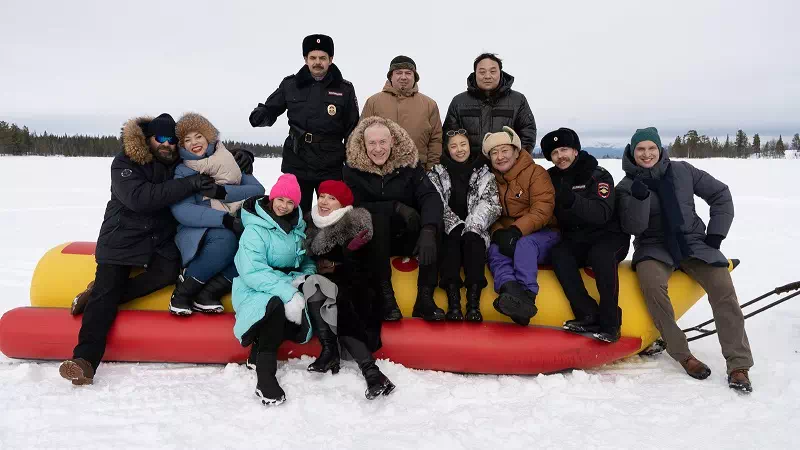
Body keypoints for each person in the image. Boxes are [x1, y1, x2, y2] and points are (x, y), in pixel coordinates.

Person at [58, 114, 223, 385]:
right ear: (148, 139)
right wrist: (189, 184)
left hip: (160, 240)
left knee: (169, 271)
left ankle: (96, 296)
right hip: (121, 236)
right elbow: (140, 198)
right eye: (162, 139)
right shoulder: (125, 162)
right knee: (108, 288)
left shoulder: (180, 162)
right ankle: (84, 360)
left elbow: (210, 153)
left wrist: (242, 156)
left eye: (173, 140)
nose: (168, 144)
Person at [616, 127, 754, 393]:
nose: (647, 154)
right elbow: (633, 226)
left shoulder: (683, 171)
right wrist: (640, 197)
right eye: (640, 149)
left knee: (722, 287)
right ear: (633, 153)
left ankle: (739, 365)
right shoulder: (625, 186)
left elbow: (720, 195)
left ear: (659, 149)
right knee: (652, 285)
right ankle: (682, 354)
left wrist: (715, 235)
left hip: (693, 242)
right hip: (653, 246)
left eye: (651, 148)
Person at [342, 116, 445, 321]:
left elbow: (430, 196)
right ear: (363, 144)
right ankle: (386, 298)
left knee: (436, 224)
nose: (378, 148)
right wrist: (395, 207)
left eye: (383, 142)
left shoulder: (409, 166)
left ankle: (425, 298)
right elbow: (352, 206)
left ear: (392, 142)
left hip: (407, 235)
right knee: (376, 219)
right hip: (374, 243)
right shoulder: (352, 170)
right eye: (372, 143)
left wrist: (428, 230)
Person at [304, 180, 396, 399]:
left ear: (342, 204)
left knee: (343, 301)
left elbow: (367, 271)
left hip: (358, 287)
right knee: (315, 285)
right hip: (327, 286)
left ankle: (371, 371)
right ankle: (330, 352)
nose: (324, 202)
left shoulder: (356, 224)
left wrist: (348, 254)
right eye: (323, 196)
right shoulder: (311, 223)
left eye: (332, 198)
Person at [249, 34, 359, 214]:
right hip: (297, 158)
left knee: (331, 213)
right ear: (305, 59)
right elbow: (271, 108)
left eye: (322, 58)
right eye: (313, 58)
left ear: (330, 60)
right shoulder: (290, 84)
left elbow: (352, 128)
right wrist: (262, 116)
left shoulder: (344, 88)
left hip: (330, 162)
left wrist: (353, 161)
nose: (317, 62)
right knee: (295, 213)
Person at [232, 174, 316, 406]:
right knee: (275, 306)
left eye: (291, 203)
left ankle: (255, 356)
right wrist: (287, 292)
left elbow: (304, 260)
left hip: (285, 282)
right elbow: (252, 271)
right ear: (272, 197)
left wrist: (304, 276)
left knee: (290, 306)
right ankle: (265, 377)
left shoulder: (297, 229)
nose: (284, 206)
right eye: (280, 199)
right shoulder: (255, 230)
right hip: (254, 286)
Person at [168, 113, 265, 315]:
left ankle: (209, 293)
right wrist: (224, 220)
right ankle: (183, 293)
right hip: (198, 228)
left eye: (198, 136)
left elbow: (257, 190)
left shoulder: (232, 160)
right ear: (181, 146)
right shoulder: (182, 171)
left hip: (235, 219)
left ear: (208, 137)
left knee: (257, 246)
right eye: (187, 139)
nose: (194, 143)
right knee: (226, 240)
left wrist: (223, 192)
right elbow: (183, 211)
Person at [542, 128, 630, 343]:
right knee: (559, 255)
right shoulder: (550, 178)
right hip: (577, 238)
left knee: (601, 256)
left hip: (609, 236)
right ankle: (587, 313)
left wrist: (572, 199)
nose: (560, 156)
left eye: (564, 149)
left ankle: (611, 323)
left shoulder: (597, 174)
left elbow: (602, 214)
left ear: (575, 150)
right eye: (554, 153)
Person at [484, 126, 558, 326]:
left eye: (504, 151)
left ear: (516, 152)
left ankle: (527, 296)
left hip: (544, 233)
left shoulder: (535, 173)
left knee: (524, 246)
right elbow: (489, 210)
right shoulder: (491, 180)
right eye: (494, 152)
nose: (500, 157)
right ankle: (510, 290)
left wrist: (517, 230)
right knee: (495, 250)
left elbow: (543, 208)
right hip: (510, 232)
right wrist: (499, 232)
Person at [427, 129, 500, 321]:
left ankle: (473, 304)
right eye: (453, 146)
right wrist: (454, 224)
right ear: (447, 150)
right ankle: (453, 304)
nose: (459, 150)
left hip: (475, 226)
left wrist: (472, 225)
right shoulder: (437, 173)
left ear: (470, 146)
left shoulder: (484, 173)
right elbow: (434, 202)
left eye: (463, 144)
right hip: (448, 226)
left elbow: (491, 203)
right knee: (450, 243)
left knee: (473, 242)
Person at [443, 53, 537, 157]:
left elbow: (527, 133)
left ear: (500, 73)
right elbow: (449, 136)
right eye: (482, 72)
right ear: (475, 74)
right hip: (470, 169)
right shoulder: (459, 102)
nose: (487, 76)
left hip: (506, 167)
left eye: (493, 71)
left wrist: (516, 161)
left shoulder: (518, 100)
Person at [361, 55, 443, 171]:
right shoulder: (373, 102)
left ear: (415, 77)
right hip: (381, 171)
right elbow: (361, 136)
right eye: (399, 73)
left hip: (418, 170)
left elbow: (436, 140)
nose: (403, 77)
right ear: (391, 76)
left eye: (408, 73)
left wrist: (432, 170)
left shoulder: (430, 105)